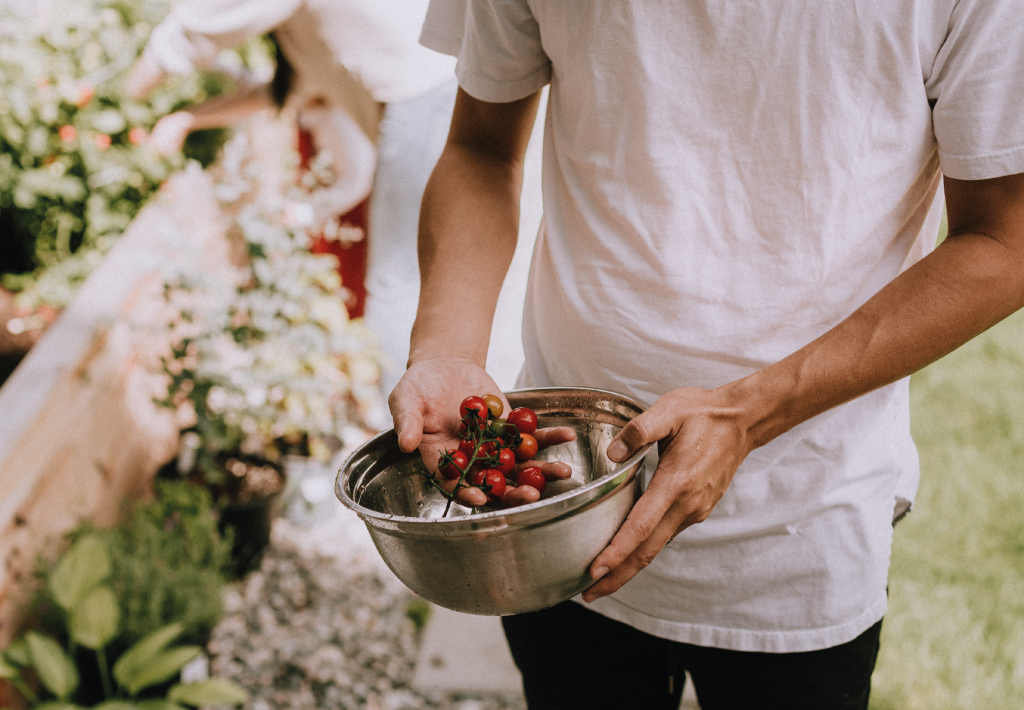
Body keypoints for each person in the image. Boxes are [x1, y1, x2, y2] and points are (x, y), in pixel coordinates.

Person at [389, 1, 1024, 708]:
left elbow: (1006, 239)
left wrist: (749, 413)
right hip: (557, 500)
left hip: (797, 525)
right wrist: (446, 346)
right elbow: (482, 145)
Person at [127, 0, 458, 395]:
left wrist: (129, 90)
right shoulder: (305, 29)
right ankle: (419, 415)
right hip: (426, 93)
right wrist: (188, 117)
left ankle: (403, 429)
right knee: (415, 276)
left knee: (395, 281)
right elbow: (289, 87)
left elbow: (197, 28)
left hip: (424, 97)